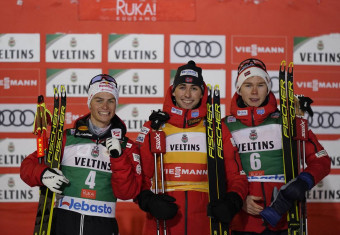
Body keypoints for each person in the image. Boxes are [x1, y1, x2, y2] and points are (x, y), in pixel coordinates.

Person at [135, 60, 248, 234]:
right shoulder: (155, 127)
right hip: (164, 224)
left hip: (206, 223)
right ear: (173, 91)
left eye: (194, 88)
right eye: (182, 87)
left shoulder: (215, 128)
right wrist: (148, 201)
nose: (187, 94)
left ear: (202, 94)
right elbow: (138, 176)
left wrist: (233, 201)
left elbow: (236, 175)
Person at [20, 74, 142, 235]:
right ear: (89, 103)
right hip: (65, 221)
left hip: (103, 224)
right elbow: (27, 167)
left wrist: (118, 158)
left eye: (111, 100)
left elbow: (127, 193)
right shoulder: (66, 138)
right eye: (99, 100)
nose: (105, 106)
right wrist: (43, 174)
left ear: (116, 104)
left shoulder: (127, 146)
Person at [223, 58, 331, 234]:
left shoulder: (287, 122)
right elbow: (218, 172)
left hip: (284, 218)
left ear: (268, 88)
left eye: (261, 84)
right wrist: (237, 200)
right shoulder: (225, 125)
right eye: (248, 85)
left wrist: (304, 181)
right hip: (243, 223)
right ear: (239, 90)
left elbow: (321, 159)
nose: (255, 91)